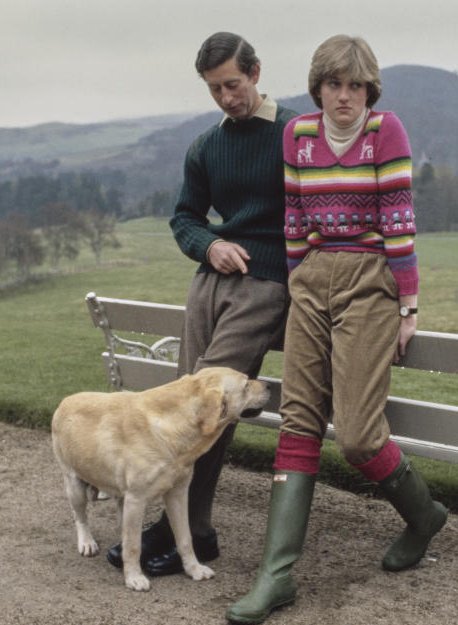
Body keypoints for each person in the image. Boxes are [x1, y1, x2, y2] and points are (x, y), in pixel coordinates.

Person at [226, 35, 447, 625]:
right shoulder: (298, 136)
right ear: (318, 88)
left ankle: (424, 515)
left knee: (355, 437)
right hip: (312, 281)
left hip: (371, 280)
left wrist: (408, 304)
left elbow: (399, 221)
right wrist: (300, 281)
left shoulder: (385, 132)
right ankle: (276, 576)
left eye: (354, 86)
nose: (344, 96)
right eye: (333, 85)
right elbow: (294, 217)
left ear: (369, 89)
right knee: (296, 419)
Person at [105, 32, 298, 576]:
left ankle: (186, 528)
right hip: (208, 284)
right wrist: (209, 244)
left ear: (256, 73)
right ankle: (187, 524)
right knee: (188, 402)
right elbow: (184, 217)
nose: (226, 98)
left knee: (209, 410)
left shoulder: (295, 133)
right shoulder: (206, 146)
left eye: (233, 84)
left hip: (267, 286)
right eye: (214, 89)